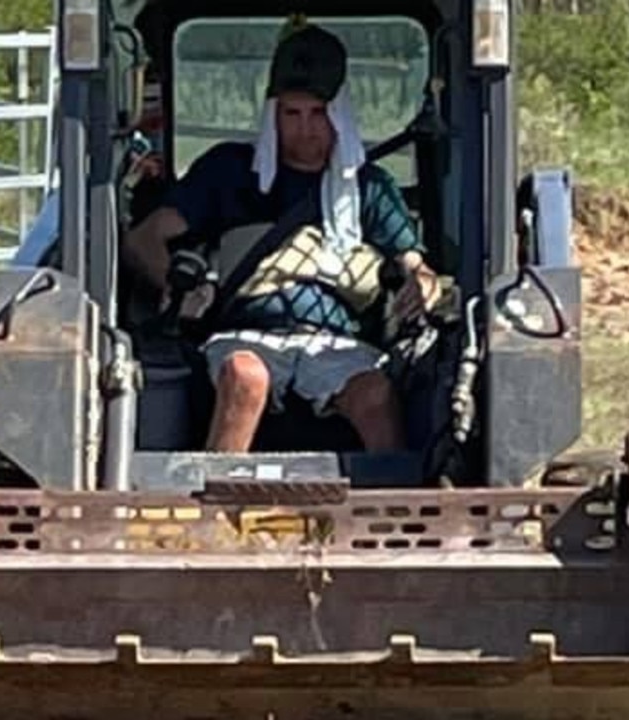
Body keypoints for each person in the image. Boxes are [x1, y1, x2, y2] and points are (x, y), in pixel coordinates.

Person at [121, 21, 442, 453]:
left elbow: (413, 263)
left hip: (339, 343)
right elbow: (144, 240)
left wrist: (421, 283)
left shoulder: (369, 188)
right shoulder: (229, 173)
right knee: (246, 378)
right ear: (273, 113)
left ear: (339, 114)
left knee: (376, 394)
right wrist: (176, 289)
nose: (305, 128)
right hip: (246, 335)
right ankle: (213, 508)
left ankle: (400, 512)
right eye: (291, 113)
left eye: (318, 113)